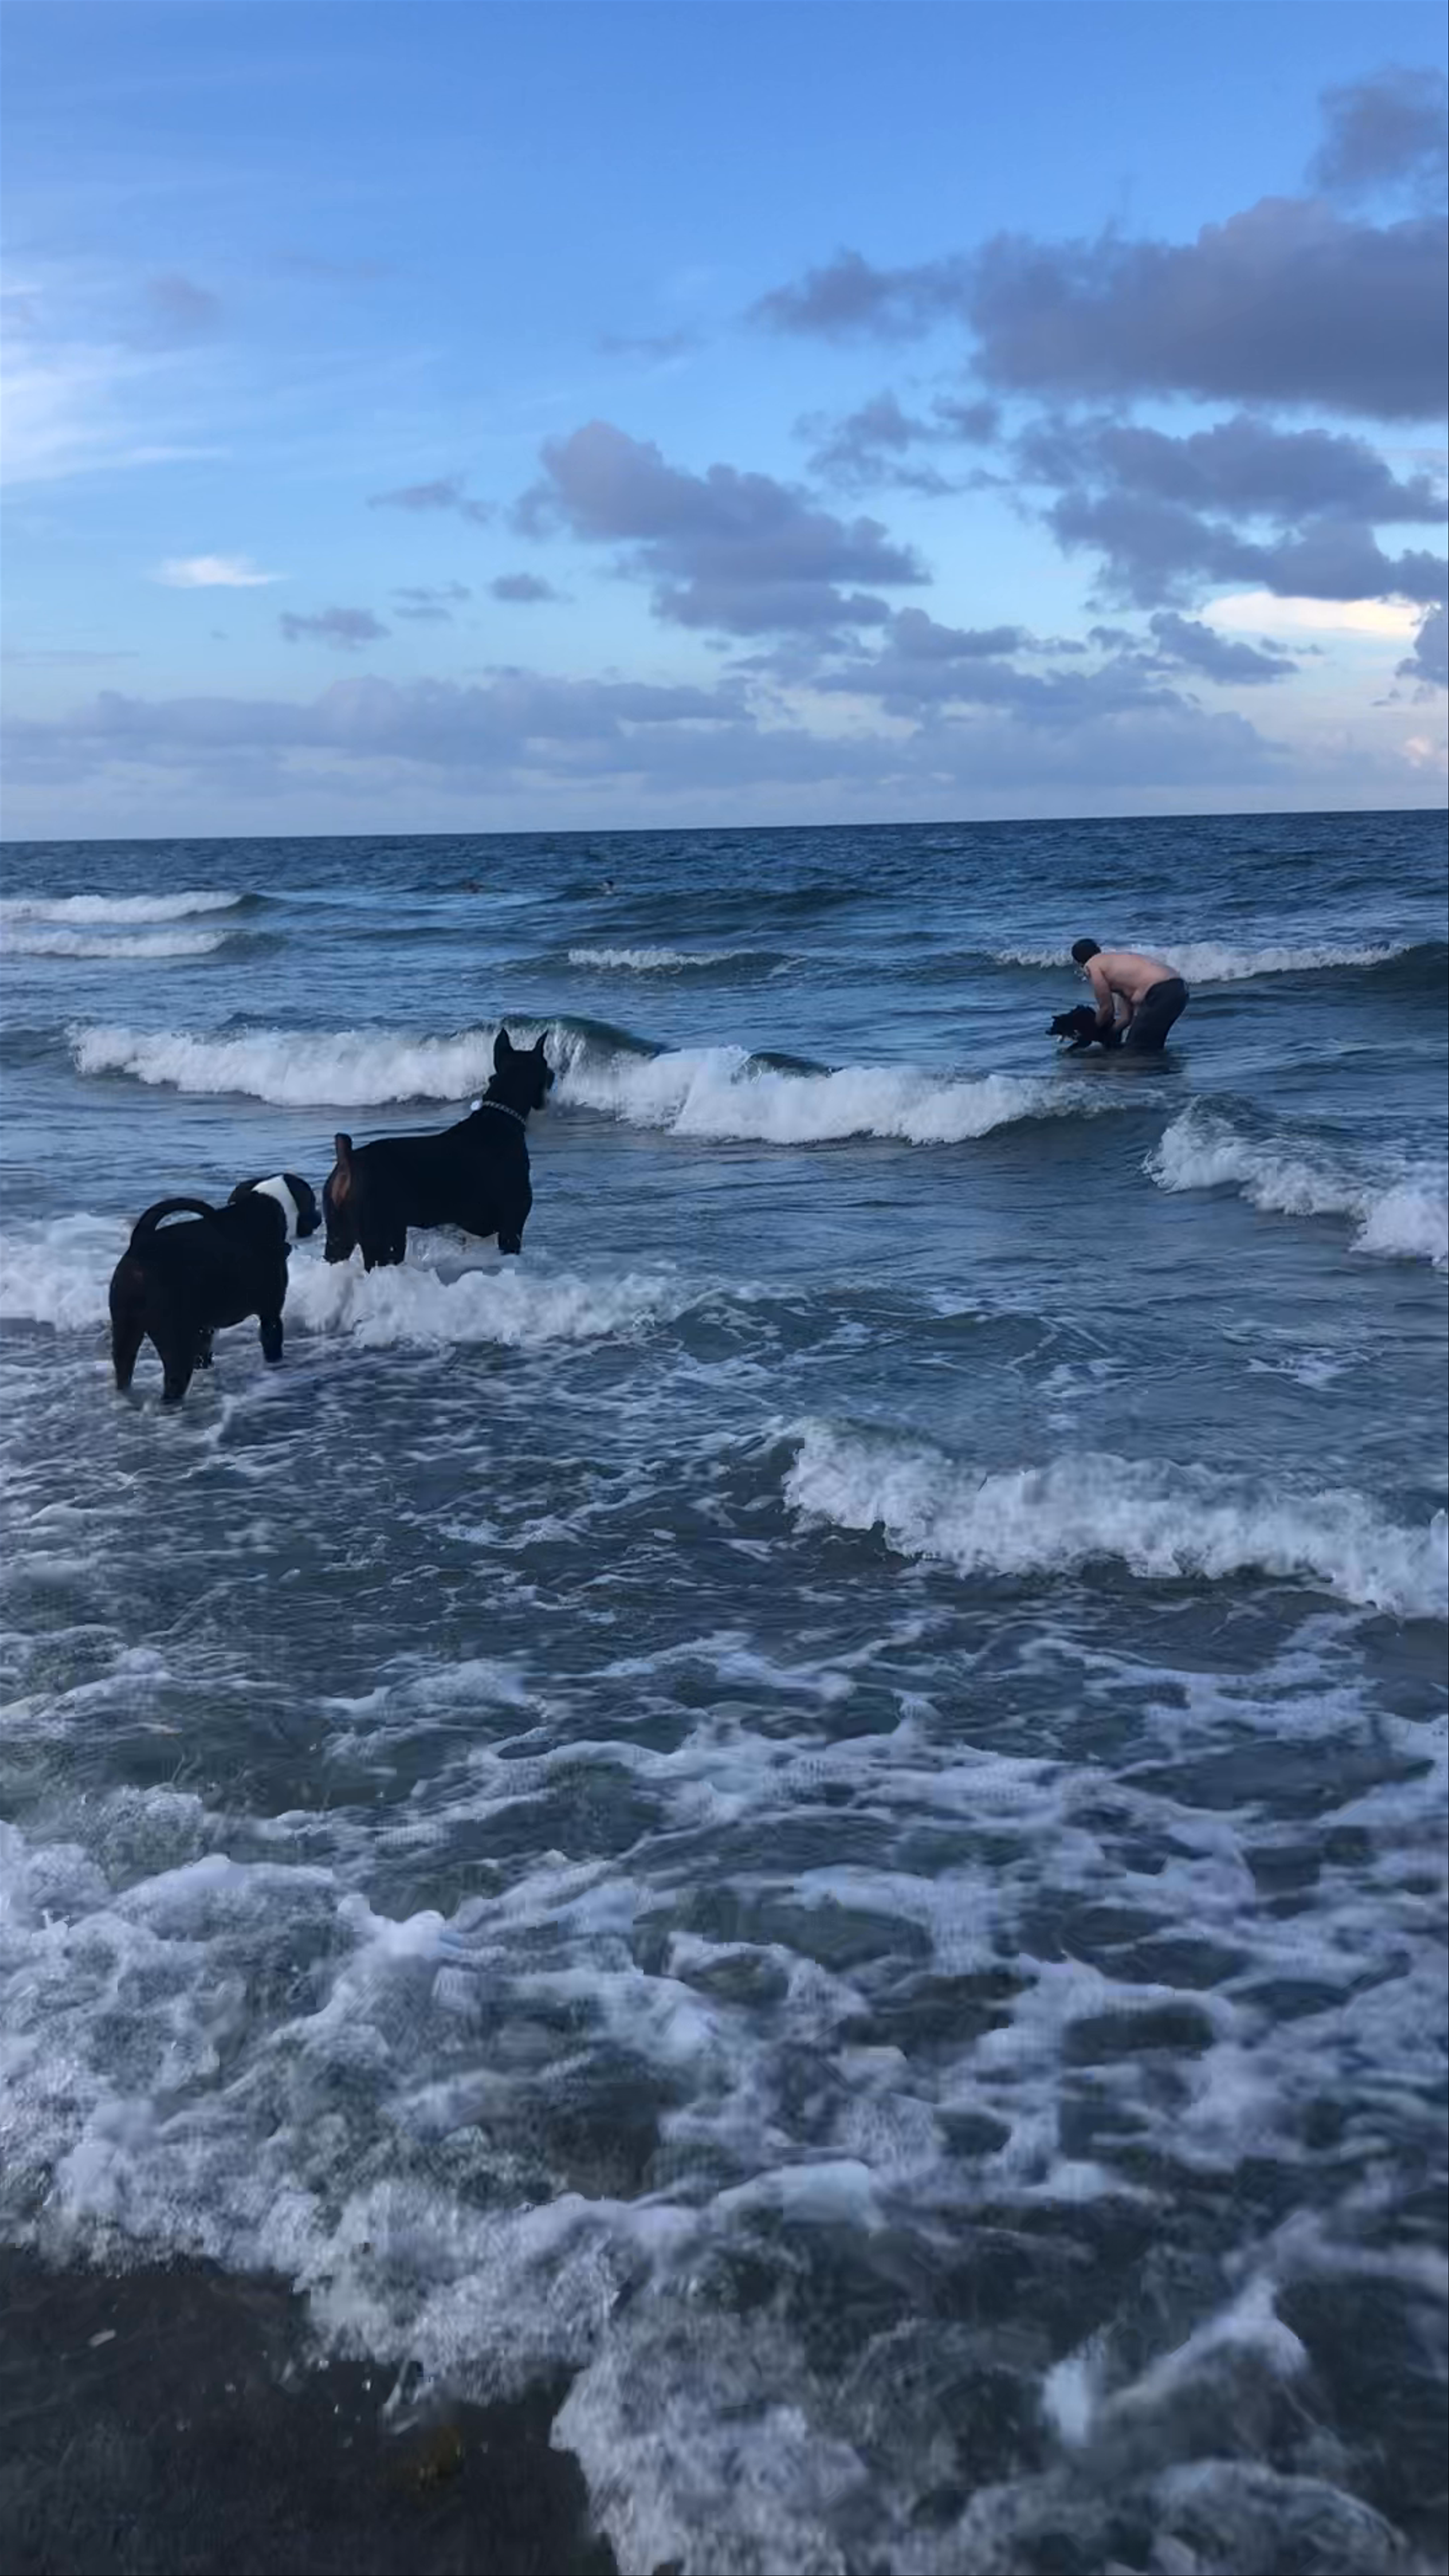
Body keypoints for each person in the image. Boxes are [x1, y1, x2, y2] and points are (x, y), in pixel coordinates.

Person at [1069, 938, 1188, 1052]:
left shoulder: (1092, 965)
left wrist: (1089, 1033)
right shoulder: (1115, 964)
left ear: (1079, 962)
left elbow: (1107, 1010)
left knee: (1136, 1050)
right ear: (1098, 950)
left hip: (1161, 991)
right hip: (1180, 989)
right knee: (1151, 1047)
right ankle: (1164, 1072)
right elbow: (1126, 1018)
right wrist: (1109, 1035)